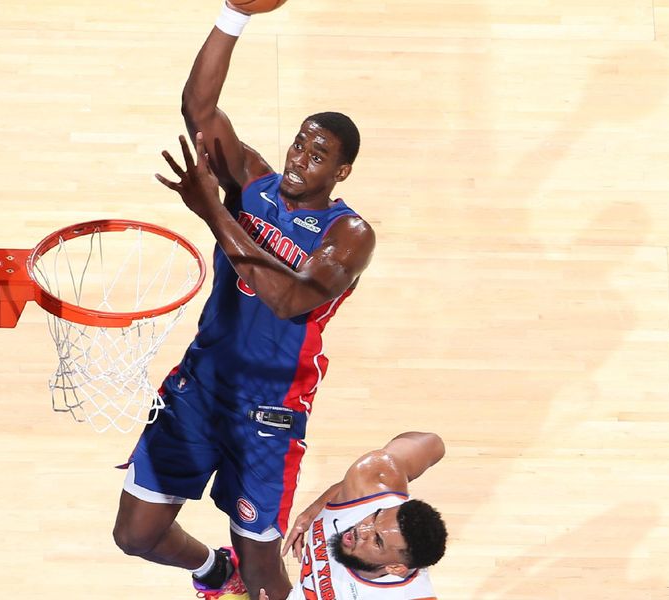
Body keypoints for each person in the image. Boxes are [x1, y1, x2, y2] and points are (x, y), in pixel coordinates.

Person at [112, 2, 376, 599]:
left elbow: (286, 298)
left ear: (343, 171)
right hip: (201, 383)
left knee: (264, 576)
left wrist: (214, 214)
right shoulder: (253, 183)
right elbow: (198, 110)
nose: (298, 160)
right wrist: (234, 14)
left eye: (317, 155)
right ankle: (212, 572)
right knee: (137, 533)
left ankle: (245, 576)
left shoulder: (349, 235)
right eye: (299, 145)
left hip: (269, 409)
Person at [256, 430, 447, 600]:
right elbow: (434, 444)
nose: (361, 529)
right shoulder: (371, 483)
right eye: (375, 517)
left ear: (395, 568)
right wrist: (318, 506)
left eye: (377, 541)